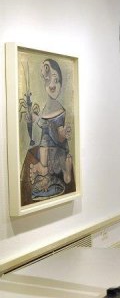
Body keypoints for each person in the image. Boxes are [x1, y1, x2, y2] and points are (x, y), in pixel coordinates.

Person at [26, 59, 75, 201]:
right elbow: (44, 123)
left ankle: (64, 169)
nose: (52, 85)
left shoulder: (58, 107)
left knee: (46, 140)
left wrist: (63, 132)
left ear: (61, 83)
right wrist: (34, 118)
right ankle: (43, 167)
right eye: (48, 81)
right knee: (44, 141)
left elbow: (57, 131)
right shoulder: (47, 106)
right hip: (47, 148)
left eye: (56, 80)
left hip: (58, 148)